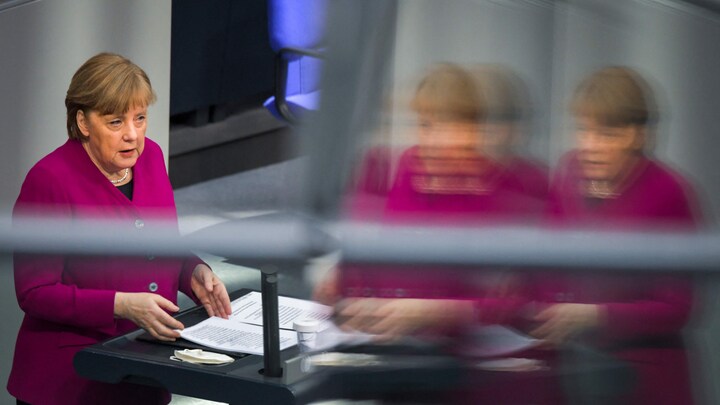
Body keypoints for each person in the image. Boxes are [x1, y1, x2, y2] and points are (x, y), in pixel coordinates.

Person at [7, 53, 232, 405]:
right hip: (72, 381)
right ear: (83, 122)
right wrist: (120, 305)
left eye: (139, 118)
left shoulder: (151, 157)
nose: (132, 135)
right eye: (115, 122)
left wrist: (193, 272)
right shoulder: (49, 180)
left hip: (145, 369)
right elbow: (34, 292)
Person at [528, 66, 701, 404]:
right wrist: (546, 309)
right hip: (577, 368)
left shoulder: (670, 191)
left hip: (646, 376)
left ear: (638, 136)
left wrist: (595, 315)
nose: (589, 146)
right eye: (583, 130)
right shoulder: (568, 173)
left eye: (606, 134)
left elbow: (678, 308)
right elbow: (545, 264)